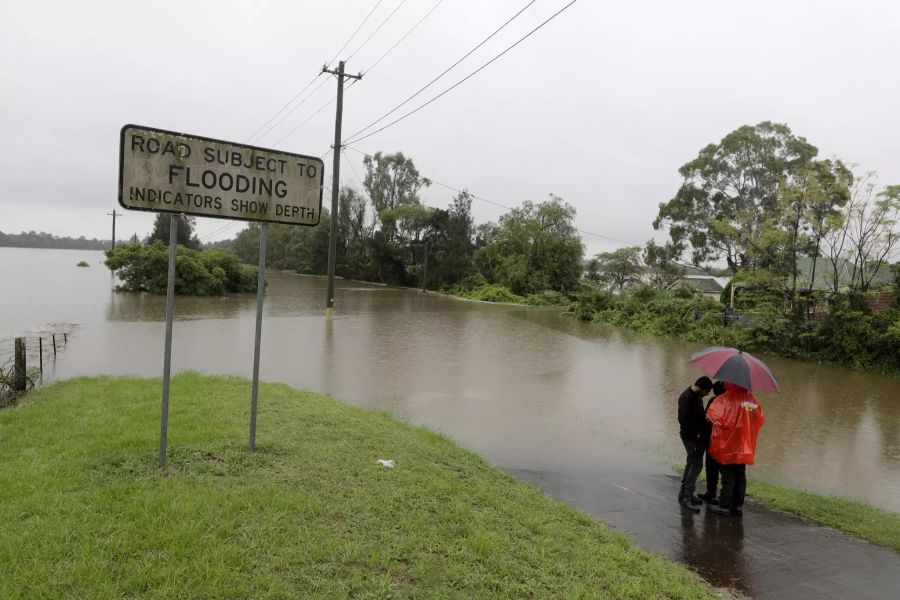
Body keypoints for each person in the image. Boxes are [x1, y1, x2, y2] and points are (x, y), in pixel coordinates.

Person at [706, 382, 766, 517]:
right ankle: (737, 506)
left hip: (728, 445)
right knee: (740, 475)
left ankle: (725, 506)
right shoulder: (752, 400)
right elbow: (760, 420)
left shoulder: (725, 398)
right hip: (745, 446)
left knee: (728, 476)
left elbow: (714, 417)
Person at [677, 376, 713, 511]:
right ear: (701, 388)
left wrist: (705, 423)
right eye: (707, 391)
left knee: (691, 462)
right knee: (697, 465)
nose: (708, 394)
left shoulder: (698, 397)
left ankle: (684, 492)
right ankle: (687, 496)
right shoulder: (686, 397)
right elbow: (683, 420)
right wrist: (697, 432)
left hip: (696, 437)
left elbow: (698, 417)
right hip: (690, 437)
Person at [697, 380, 727, 504]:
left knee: (719, 469)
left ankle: (716, 493)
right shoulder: (714, 401)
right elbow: (706, 418)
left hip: (721, 442)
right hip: (714, 440)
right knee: (713, 467)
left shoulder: (728, 403)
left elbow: (706, 419)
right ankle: (712, 492)